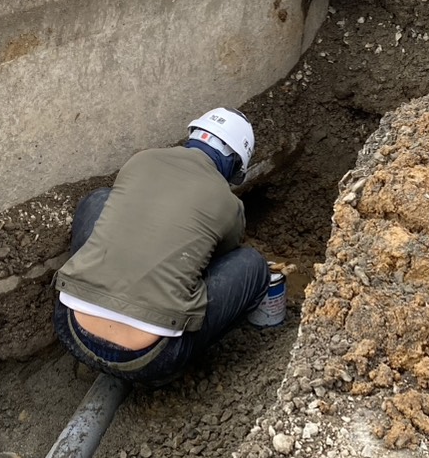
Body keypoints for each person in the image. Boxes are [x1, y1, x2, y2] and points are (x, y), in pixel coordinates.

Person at [52, 107, 275, 386]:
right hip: (153, 358)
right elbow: (221, 258)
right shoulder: (228, 204)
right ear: (234, 163)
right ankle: (170, 375)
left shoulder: (141, 160)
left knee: (100, 199)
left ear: (193, 136)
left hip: (70, 328)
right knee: (252, 264)